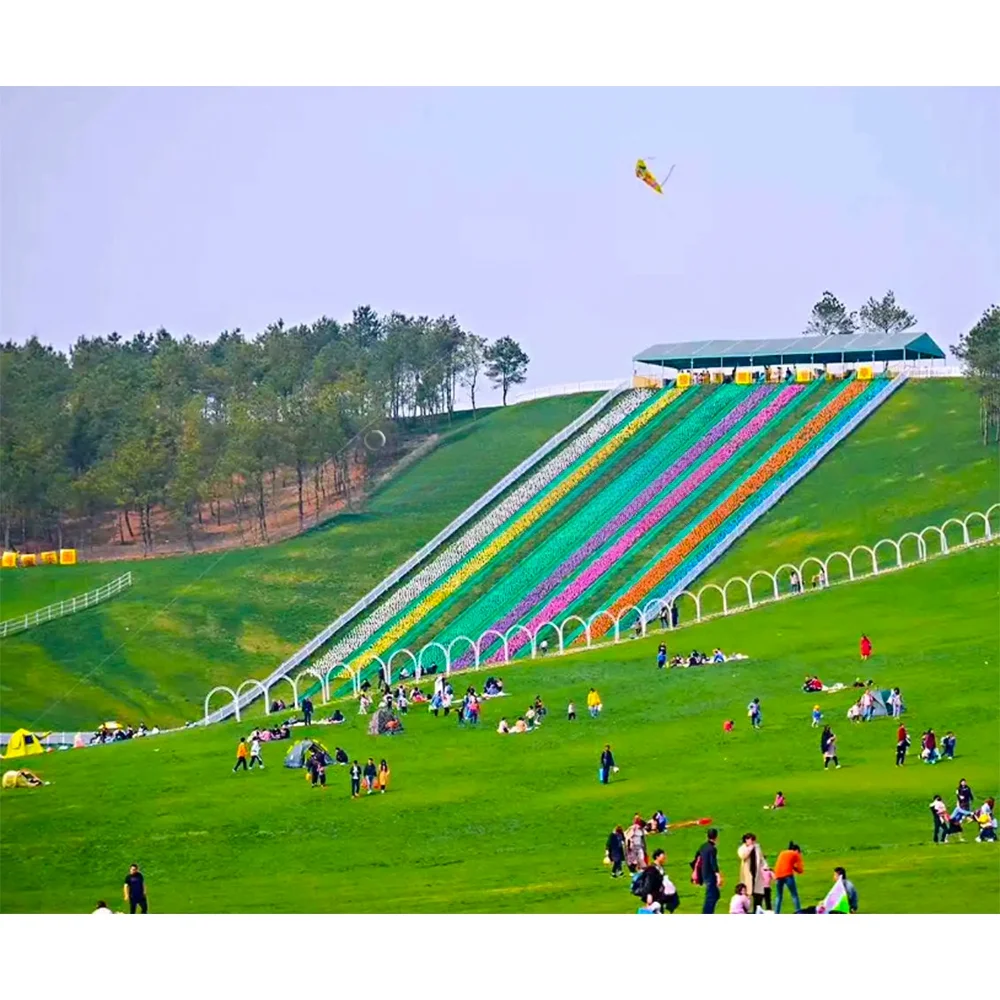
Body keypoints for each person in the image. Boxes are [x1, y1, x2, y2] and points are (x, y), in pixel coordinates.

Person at [632, 849, 679, 914]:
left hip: (659, 895)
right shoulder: (651, 869)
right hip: (653, 896)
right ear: (657, 857)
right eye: (663, 855)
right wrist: (649, 895)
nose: (665, 857)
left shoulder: (660, 868)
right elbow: (648, 884)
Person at [694, 828, 722, 913]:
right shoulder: (712, 849)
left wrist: (695, 872)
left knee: (716, 894)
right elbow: (713, 862)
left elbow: (697, 859)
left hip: (704, 874)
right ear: (716, 837)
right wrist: (718, 875)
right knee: (710, 896)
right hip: (710, 875)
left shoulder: (703, 846)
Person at [737, 833, 768, 911]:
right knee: (747, 893)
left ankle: (757, 911)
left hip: (757, 874)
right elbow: (743, 856)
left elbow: (761, 858)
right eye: (752, 840)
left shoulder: (757, 847)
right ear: (746, 840)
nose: (753, 841)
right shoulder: (742, 848)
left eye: (754, 840)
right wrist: (750, 848)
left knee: (758, 895)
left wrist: (765, 866)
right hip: (748, 874)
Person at [773, 841, 804, 913]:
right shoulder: (795, 854)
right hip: (788, 875)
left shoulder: (782, 853)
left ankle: (776, 913)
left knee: (779, 896)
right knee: (794, 895)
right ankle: (799, 912)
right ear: (797, 850)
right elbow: (800, 870)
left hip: (777, 875)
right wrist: (794, 867)